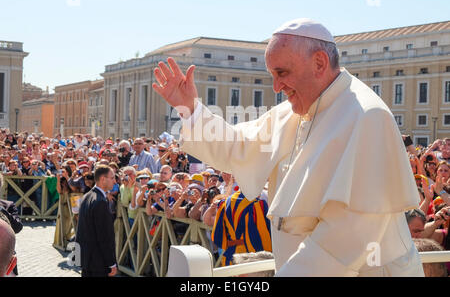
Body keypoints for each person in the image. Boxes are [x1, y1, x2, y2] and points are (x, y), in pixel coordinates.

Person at [152, 18, 423, 276]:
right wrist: (189, 110)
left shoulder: (367, 115)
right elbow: (237, 148)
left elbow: (348, 237)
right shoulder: (293, 112)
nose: (276, 86)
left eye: (282, 73)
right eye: (272, 75)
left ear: (319, 62)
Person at [76, 165, 117, 277]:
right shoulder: (100, 201)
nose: (115, 181)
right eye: (112, 178)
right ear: (103, 179)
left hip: (87, 259)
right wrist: (111, 263)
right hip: (98, 262)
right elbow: (104, 236)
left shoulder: (87, 196)